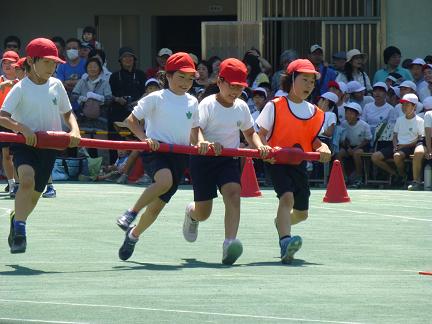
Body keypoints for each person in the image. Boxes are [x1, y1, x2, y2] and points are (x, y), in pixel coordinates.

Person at [182, 58, 271, 265]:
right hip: (202, 160)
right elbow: (196, 130)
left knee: (233, 193)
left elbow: (250, 133)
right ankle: (192, 213)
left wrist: (260, 146)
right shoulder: (207, 104)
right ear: (220, 81)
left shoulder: (241, 107)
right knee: (204, 212)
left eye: (239, 87)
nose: (235, 91)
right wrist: (204, 143)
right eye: (232, 86)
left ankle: (229, 243)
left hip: (227, 159)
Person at [115, 52, 199, 261]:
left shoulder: (192, 101)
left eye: (190, 78)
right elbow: (131, 120)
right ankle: (131, 212)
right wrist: (144, 138)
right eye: (181, 77)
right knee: (164, 181)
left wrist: (200, 143)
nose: (186, 83)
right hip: (156, 151)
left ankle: (133, 235)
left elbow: (195, 130)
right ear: (168, 76)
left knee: (156, 208)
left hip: (180, 155)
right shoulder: (156, 98)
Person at [0, 38, 81, 254]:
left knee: (34, 196)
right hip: (25, 144)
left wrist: (74, 130)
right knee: (26, 181)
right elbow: (2, 117)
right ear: (33, 61)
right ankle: (20, 231)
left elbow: (67, 112)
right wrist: (22, 128)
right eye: (47, 62)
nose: (52, 67)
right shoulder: (20, 87)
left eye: (54, 63)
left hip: (50, 146)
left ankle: (16, 218)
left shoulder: (57, 85)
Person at [256, 59, 331, 264]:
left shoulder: (315, 113)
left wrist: (322, 147)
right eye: (304, 79)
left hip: (298, 164)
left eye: (312, 81)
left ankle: (282, 223)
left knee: (302, 213)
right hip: (275, 161)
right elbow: (260, 134)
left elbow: (313, 140)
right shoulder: (275, 106)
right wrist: (264, 149)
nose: (308, 85)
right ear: (291, 80)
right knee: (286, 198)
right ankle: (285, 241)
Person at [371, 93, 424, 190]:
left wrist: (403, 146)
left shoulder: (420, 121)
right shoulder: (399, 120)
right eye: (403, 104)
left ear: (414, 106)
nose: (404, 107)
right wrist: (395, 145)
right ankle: (397, 174)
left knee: (397, 156)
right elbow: (395, 135)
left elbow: (420, 139)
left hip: (410, 147)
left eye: (407, 104)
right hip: (398, 146)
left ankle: (403, 175)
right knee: (375, 157)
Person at [108, 46, 146, 163]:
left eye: (130, 57)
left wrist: (138, 101)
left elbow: (147, 92)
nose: (128, 59)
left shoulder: (141, 74)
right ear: (120, 60)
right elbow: (108, 95)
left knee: (136, 140)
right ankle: (113, 165)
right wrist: (118, 99)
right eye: (124, 57)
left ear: (134, 59)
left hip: (136, 112)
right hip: (118, 112)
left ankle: (134, 169)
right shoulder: (114, 76)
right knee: (115, 140)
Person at [337, 102, 372, 188]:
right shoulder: (343, 124)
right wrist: (348, 148)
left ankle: (359, 178)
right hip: (349, 147)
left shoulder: (364, 125)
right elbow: (344, 138)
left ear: (357, 115)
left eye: (351, 113)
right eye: (347, 113)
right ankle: (344, 178)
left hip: (362, 146)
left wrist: (356, 148)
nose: (348, 115)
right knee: (339, 154)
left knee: (356, 153)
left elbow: (367, 140)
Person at [0, 50, 20, 197]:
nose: (7, 65)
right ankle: (12, 183)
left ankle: (21, 183)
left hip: (21, 121)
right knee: (6, 155)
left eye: (10, 62)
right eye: (4, 63)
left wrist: (12, 83)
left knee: (19, 155)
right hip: (3, 121)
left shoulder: (24, 81)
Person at [56, 38, 87, 111]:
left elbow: (88, 83)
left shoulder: (87, 64)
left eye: (74, 48)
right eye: (68, 48)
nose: (71, 50)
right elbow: (60, 84)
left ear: (80, 50)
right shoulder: (62, 66)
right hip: (67, 105)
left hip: (84, 104)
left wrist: (68, 82)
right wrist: (79, 82)